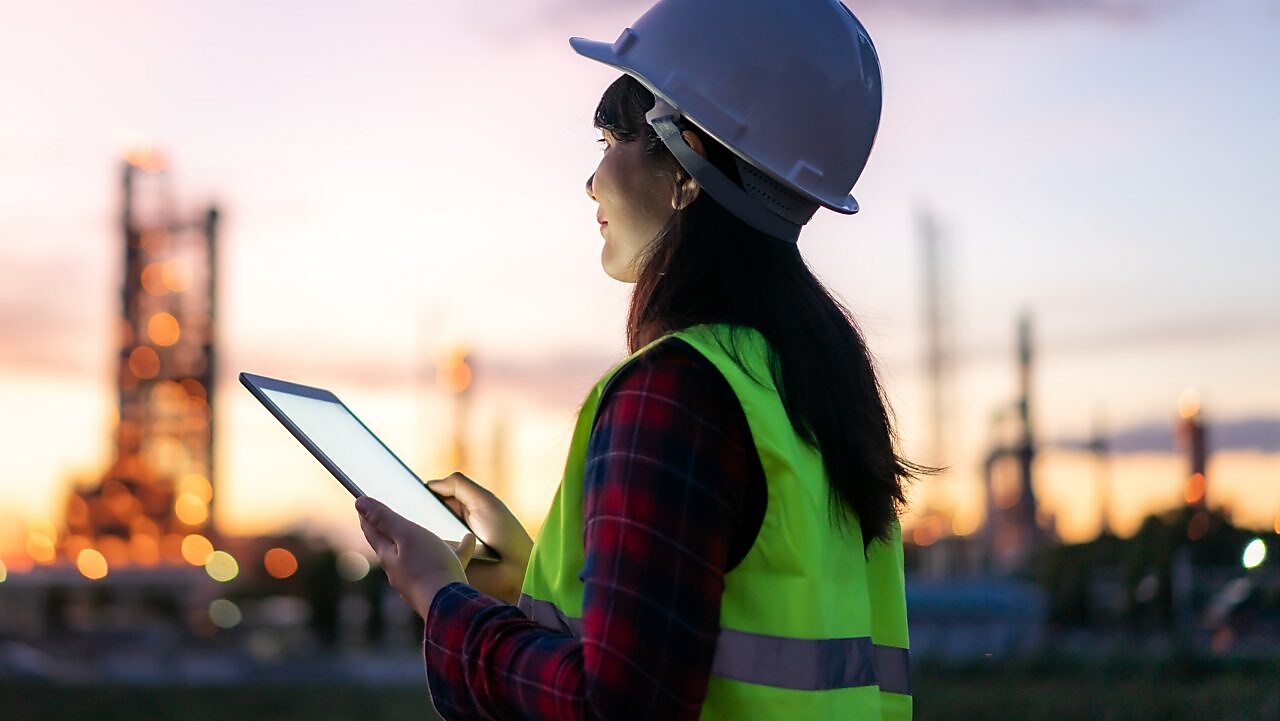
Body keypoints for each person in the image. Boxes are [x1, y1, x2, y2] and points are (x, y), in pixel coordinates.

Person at [354, 0, 928, 718]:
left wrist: (442, 597)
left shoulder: (676, 392)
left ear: (684, 162)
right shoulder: (806, 383)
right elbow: (706, 638)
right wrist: (522, 579)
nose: (591, 183)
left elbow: (620, 704)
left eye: (608, 141)